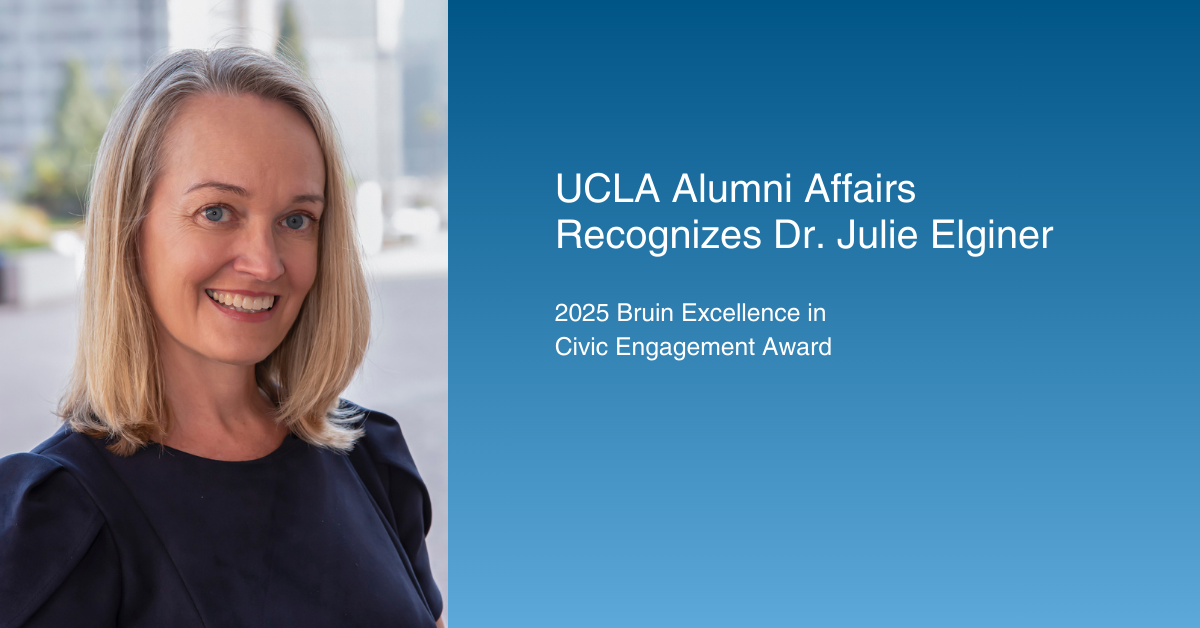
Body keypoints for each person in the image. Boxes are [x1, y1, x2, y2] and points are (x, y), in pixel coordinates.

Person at [0, 48, 444, 627]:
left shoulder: (370, 460)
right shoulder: (57, 523)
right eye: (216, 211)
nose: (265, 263)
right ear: (129, 230)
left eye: (296, 219)